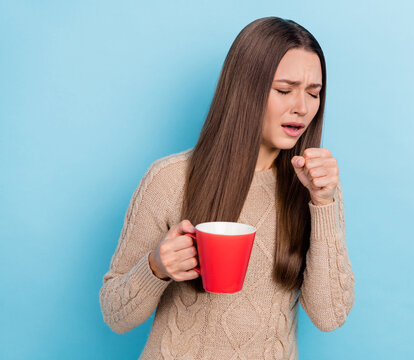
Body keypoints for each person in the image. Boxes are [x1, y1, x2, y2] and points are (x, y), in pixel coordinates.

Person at [99, 16, 355, 360]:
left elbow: (329, 317)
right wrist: (156, 267)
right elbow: (115, 315)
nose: (303, 107)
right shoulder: (169, 179)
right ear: (245, 87)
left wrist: (323, 203)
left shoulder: (315, 189)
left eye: (314, 93)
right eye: (284, 90)